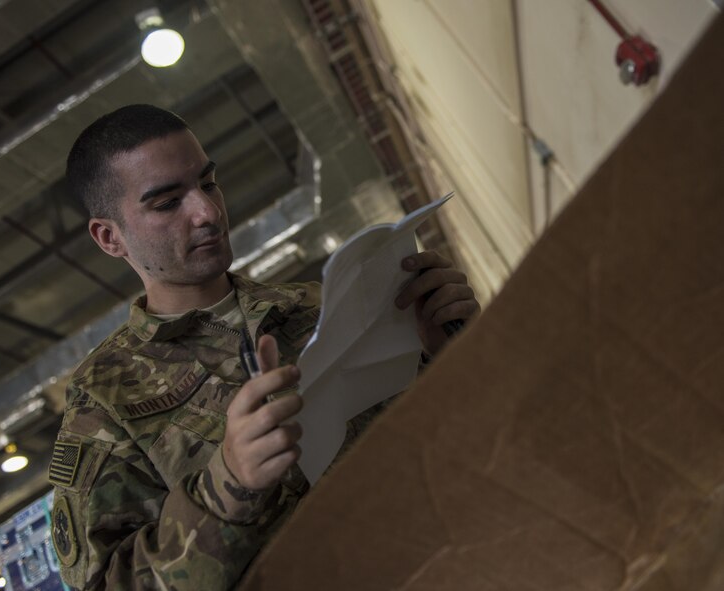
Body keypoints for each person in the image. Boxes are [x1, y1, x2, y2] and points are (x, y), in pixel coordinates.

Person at [49, 104, 479, 590]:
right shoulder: (107, 399)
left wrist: (454, 351)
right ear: (110, 238)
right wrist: (227, 486)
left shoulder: (321, 306)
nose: (207, 212)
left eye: (208, 183)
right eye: (168, 202)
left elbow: (474, 437)